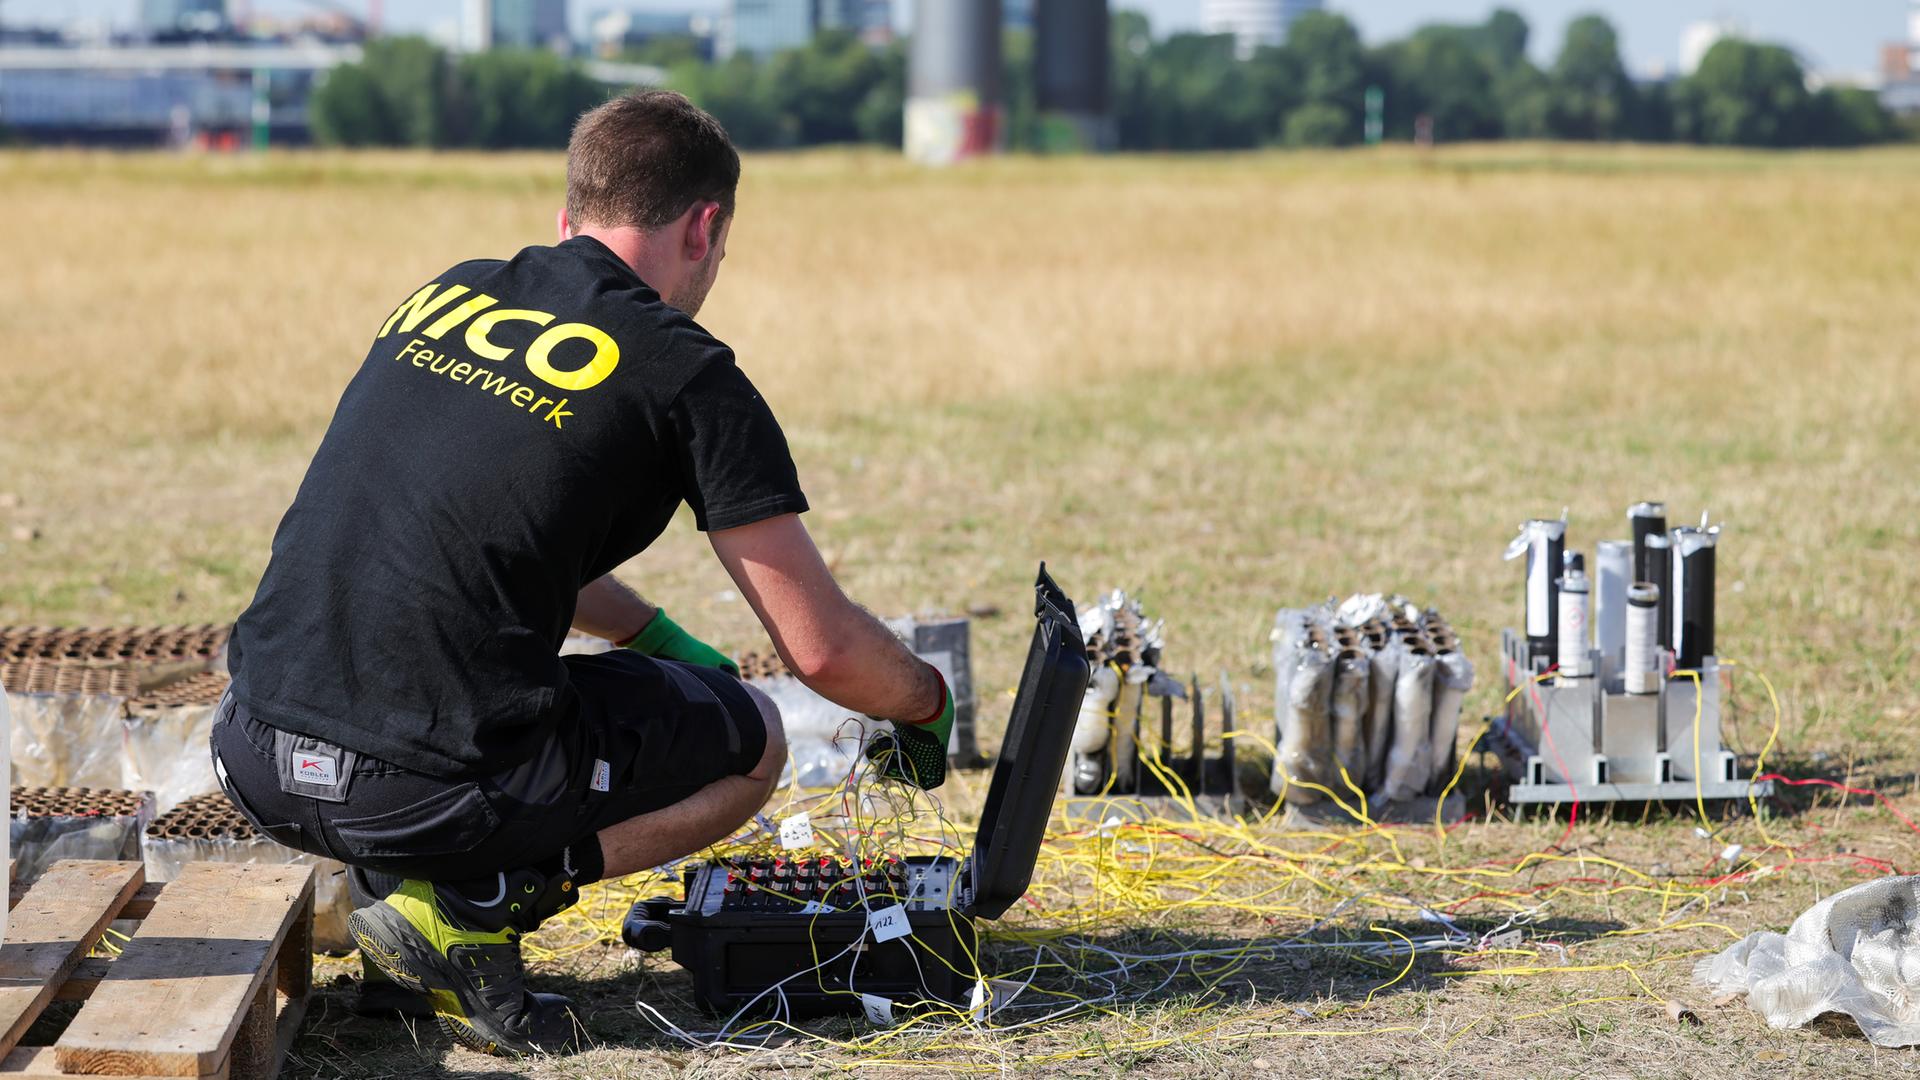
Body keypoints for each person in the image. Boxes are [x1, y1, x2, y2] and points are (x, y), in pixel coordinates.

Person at [211, 90, 953, 1056]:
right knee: (755, 742)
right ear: (706, 226)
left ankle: (411, 902)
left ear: (570, 219)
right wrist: (926, 704)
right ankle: (482, 898)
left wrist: (650, 635)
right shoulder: (687, 373)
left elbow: (485, 532)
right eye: (720, 249)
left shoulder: (452, 291)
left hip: (253, 751)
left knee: (487, 704)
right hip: (409, 788)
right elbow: (821, 654)